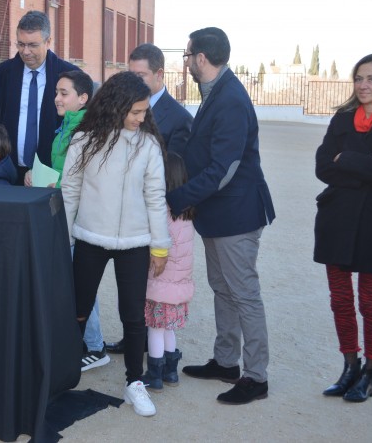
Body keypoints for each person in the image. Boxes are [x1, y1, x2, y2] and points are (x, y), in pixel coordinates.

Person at [166, 27, 275, 405]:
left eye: (187, 54)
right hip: (219, 213)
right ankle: (226, 362)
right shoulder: (216, 91)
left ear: (201, 59)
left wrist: (178, 197)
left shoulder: (229, 98)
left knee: (244, 294)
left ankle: (256, 377)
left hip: (237, 215)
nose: (186, 61)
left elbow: (223, 169)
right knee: (223, 288)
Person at [61, 71, 170, 417]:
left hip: (136, 244)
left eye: (145, 112)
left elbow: (155, 197)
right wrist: (62, 238)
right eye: (136, 111)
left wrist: (160, 246)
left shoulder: (149, 145)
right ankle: (63, 372)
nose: (142, 118)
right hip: (91, 238)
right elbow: (70, 193)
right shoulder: (84, 141)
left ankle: (134, 381)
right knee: (77, 307)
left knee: (133, 316)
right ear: (117, 105)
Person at [106, 42, 194, 355]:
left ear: (159, 74)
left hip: (154, 213)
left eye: (140, 75)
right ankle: (135, 336)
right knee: (129, 282)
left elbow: (175, 169)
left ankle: (150, 343)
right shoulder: (121, 109)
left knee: (152, 283)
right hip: (125, 210)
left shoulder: (179, 118)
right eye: (130, 74)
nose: (134, 82)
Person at [23, 70, 109, 371]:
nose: (57, 98)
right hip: (63, 215)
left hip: (78, 219)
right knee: (72, 283)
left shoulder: (88, 132)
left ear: (83, 98)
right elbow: (64, 173)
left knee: (81, 283)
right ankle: (84, 341)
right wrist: (38, 176)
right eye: (56, 92)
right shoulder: (65, 127)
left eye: (64, 93)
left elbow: (88, 179)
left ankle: (96, 347)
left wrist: (56, 186)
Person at [314, 53, 372, 403]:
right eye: (359, 78)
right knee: (340, 300)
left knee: (370, 302)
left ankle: (370, 373)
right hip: (337, 220)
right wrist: (368, 168)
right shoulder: (342, 118)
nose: (363, 85)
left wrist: (349, 161)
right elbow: (323, 167)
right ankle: (349, 367)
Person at [0, 10, 80, 184]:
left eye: (32, 45)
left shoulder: (70, 74)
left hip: (52, 174)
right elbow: (0, 116)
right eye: (21, 44)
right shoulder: (4, 72)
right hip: (11, 171)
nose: (25, 52)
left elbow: (73, 123)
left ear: (48, 42)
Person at [141, 152, 195, 392]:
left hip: (160, 283)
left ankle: (154, 374)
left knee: (155, 328)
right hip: (179, 284)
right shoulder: (187, 212)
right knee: (169, 329)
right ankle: (171, 371)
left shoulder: (160, 211)